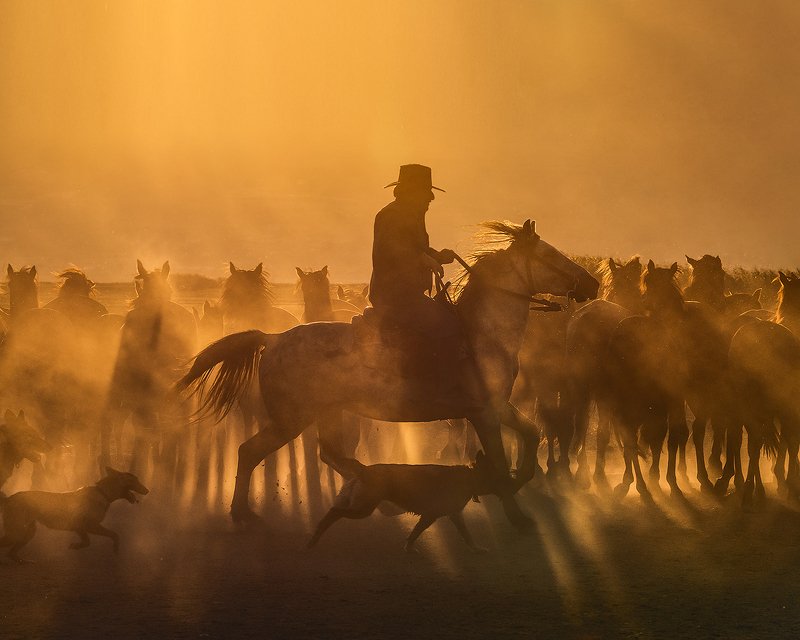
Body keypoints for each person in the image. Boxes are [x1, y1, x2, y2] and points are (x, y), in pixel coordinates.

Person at [368, 164, 463, 378]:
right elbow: (391, 250)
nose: (431, 198)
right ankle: (431, 383)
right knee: (446, 326)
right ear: (412, 193)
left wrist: (437, 256)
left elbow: (414, 248)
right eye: (426, 192)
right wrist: (425, 259)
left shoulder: (410, 215)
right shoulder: (391, 215)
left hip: (406, 294)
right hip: (394, 296)